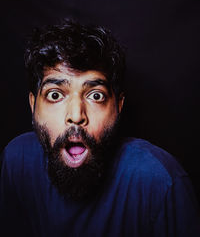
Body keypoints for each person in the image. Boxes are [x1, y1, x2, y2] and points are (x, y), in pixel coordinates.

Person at [0, 19, 200, 237]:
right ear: (33, 104)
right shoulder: (16, 161)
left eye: (95, 96)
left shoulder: (160, 181)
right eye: (55, 95)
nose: (76, 116)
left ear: (118, 105)